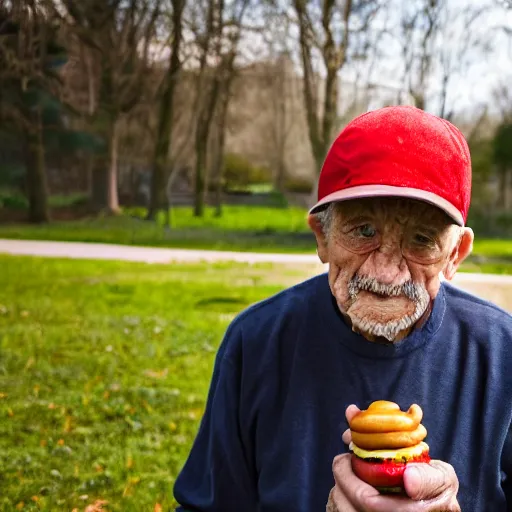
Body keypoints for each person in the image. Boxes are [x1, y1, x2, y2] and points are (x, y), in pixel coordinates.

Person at [173, 106, 512, 511]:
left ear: (455, 253)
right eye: (364, 230)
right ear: (323, 235)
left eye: (421, 239)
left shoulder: (503, 356)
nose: (386, 274)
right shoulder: (257, 343)